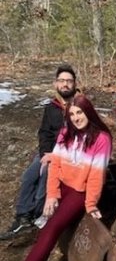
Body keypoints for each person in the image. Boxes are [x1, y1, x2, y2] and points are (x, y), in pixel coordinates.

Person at [0, 95, 112, 261]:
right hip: (62, 187)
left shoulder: (102, 139)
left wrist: (90, 205)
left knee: (50, 229)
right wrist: (52, 194)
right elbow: (55, 167)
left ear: (88, 111)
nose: (76, 118)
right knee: (46, 233)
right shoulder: (65, 133)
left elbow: (97, 176)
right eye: (72, 114)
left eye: (79, 112)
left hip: (79, 191)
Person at [0, 64, 77, 240]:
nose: (65, 84)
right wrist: (45, 153)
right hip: (50, 152)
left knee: (47, 175)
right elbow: (44, 133)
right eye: (62, 81)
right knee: (30, 175)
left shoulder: (79, 106)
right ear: (56, 84)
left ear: (74, 84)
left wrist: (56, 156)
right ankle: (23, 216)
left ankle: (38, 216)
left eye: (69, 81)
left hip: (70, 156)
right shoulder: (52, 107)